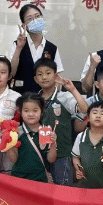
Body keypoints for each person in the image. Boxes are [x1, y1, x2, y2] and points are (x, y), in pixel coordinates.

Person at [35, 57, 88, 186]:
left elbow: (85, 109)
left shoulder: (64, 97)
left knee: (62, 191)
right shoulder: (34, 99)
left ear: (55, 76)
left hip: (62, 154)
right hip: (39, 154)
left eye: (48, 73)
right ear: (35, 79)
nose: (44, 77)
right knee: (41, 190)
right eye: (40, 74)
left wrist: (72, 89)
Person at [10, 4, 64, 94]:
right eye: (30, 19)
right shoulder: (17, 45)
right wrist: (19, 48)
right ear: (24, 25)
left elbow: (57, 78)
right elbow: (11, 73)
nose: (35, 21)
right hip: (21, 96)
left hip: (43, 98)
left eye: (37, 16)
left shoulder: (52, 48)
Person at [7, 93, 58, 182]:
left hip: (40, 179)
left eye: (35, 111)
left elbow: (51, 159)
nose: (30, 114)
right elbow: (13, 159)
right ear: (20, 112)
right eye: (26, 111)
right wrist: (7, 143)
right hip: (18, 178)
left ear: (42, 112)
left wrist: (53, 144)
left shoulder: (46, 132)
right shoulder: (16, 132)